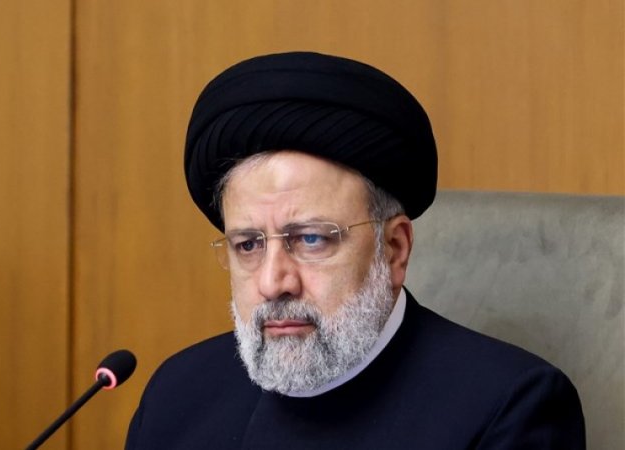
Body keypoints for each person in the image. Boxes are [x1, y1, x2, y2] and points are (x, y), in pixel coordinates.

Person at [125, 52, 585, 449]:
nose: (272, 282)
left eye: (311, 239)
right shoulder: (176, 396)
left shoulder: (507, 406)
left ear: (394, 249)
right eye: (248, 244)